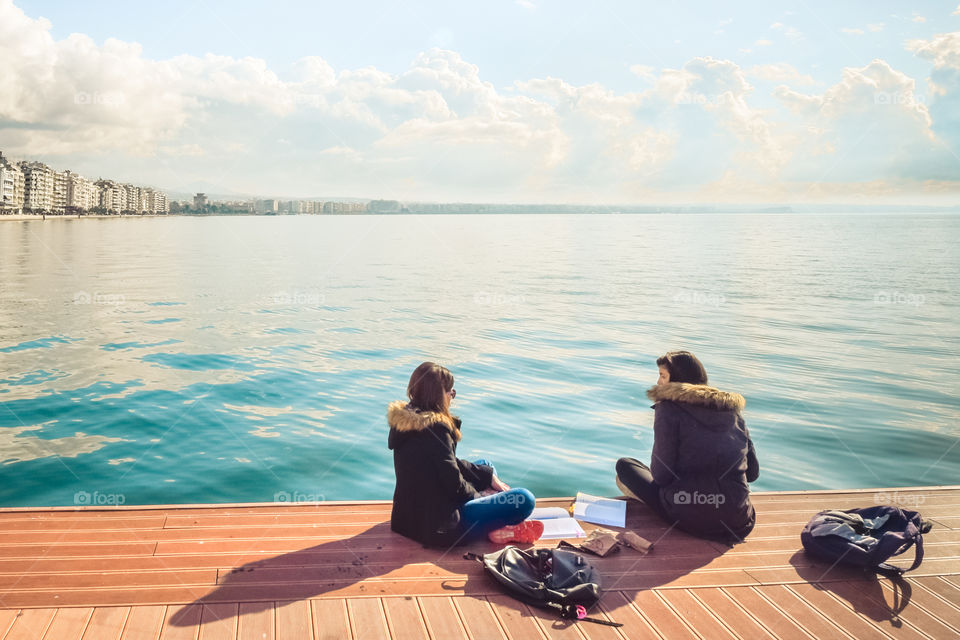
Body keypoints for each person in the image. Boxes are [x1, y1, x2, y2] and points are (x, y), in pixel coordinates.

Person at [388, 362, 542, 547]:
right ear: (439, 395)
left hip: (406, 520)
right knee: (523, 499)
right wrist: (481, 495)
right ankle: (500, 528)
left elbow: (445, 462)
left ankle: (498, 522)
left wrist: (487, 476)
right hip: (439, 528)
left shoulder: (407, 421)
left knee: (487, 466)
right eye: (450, 392)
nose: (452, 397)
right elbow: (454, 485)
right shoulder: (436, 428)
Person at [616, 351, 759, 542]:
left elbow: (661, 476)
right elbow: (752, 474)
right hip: (740, 522)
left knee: (625, 467)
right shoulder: (732, 411)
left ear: (678, 380)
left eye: (663, 376)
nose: (658, 383)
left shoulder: (668, 409)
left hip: (689, 517)